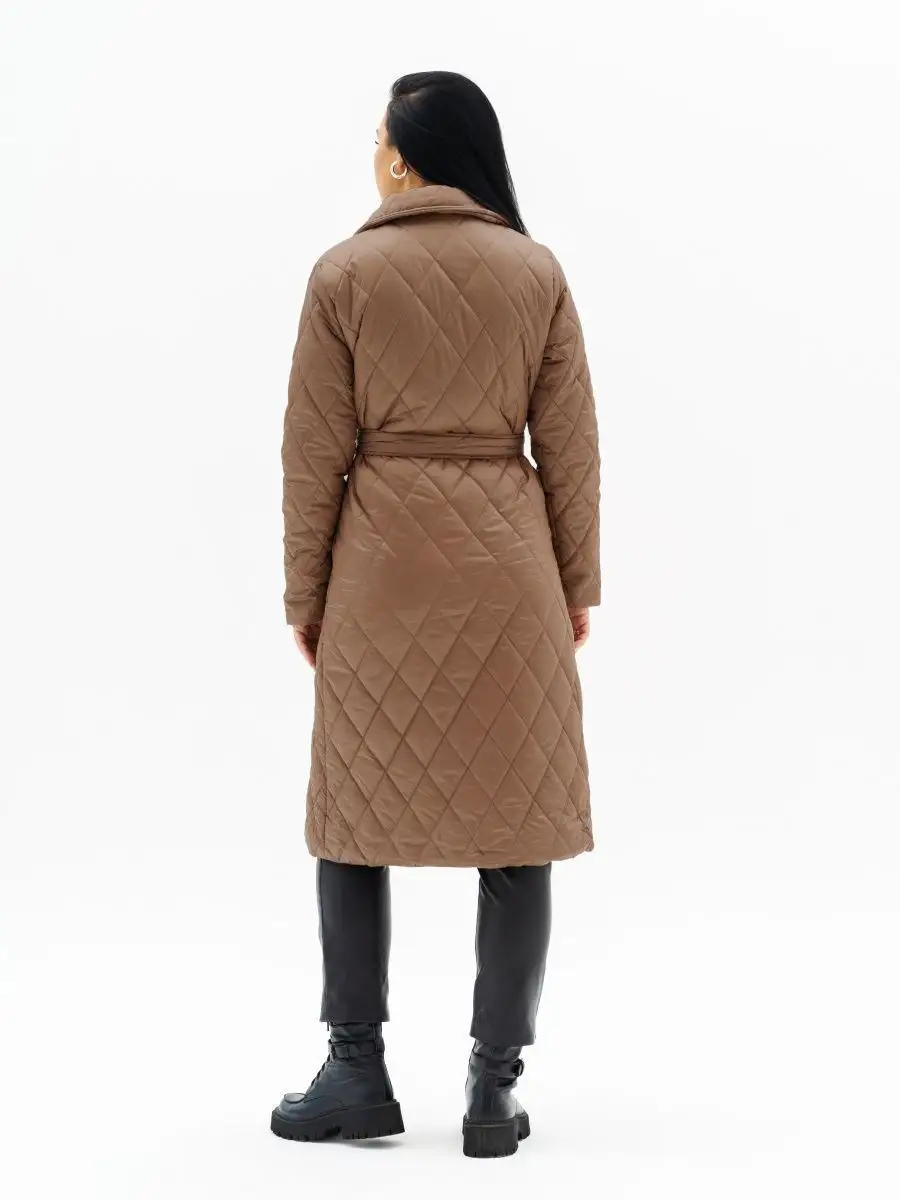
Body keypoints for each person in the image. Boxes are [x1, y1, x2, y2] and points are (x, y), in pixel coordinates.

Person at [272, 70, 601, 1159]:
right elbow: (571, 447)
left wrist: (306, 596)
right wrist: (576, 584)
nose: (373, 155)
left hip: (379, 571)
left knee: (351, 820)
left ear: (407, 159)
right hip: (511, 571)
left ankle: (354, 1069)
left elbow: (312, 457)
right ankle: (493, 1091)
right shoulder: (535, 271)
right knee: (518, 825)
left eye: (380, 138)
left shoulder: (343, 273)